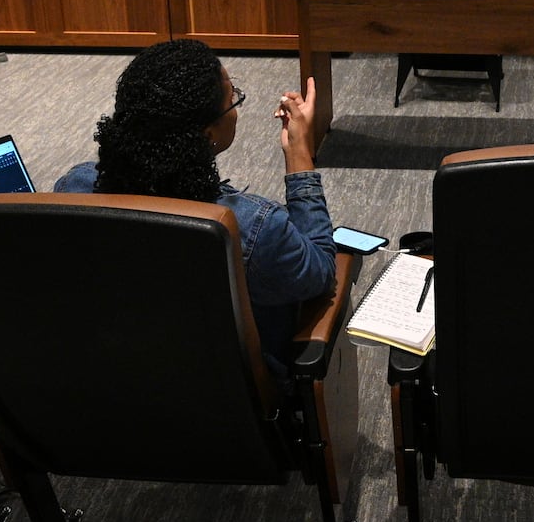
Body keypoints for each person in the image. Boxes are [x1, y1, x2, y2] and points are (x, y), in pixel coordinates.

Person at [54, 39, 336, 376]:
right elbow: (320, 270)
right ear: (207, 133)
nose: (234, 109)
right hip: (230, 401)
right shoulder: (250, 229)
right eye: (233, 101)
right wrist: (300, 159)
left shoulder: (73, 190)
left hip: (109, 381)